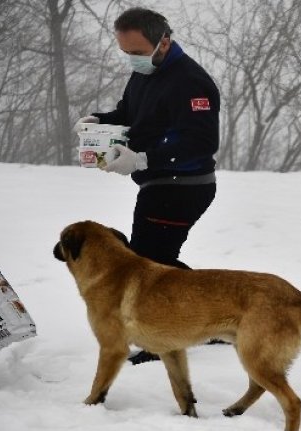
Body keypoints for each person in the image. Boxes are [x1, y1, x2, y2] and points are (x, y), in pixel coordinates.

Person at [73, 8, 220, 364]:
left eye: (137, 53)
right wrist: (100, 121)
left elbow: (200, 141)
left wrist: (142, 159)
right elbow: (130, 114)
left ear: (163, 42)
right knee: (155, 262)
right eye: (126, 53)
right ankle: (216, 320)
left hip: (183, 186)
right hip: (159, 184)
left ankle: (170, 337)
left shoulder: (191, 82)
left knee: (149, 264)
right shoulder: (146, 74)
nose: (132, 60)